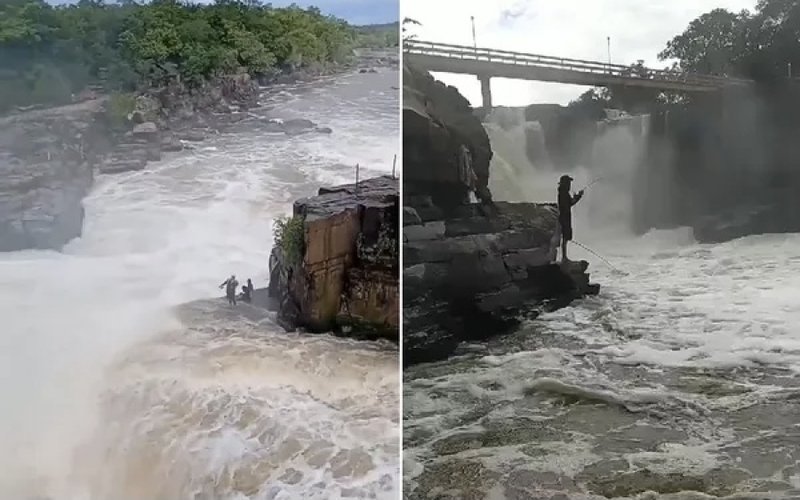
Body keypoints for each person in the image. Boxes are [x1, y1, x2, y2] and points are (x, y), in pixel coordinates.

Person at [557, 174, 584, 263]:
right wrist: (578, 196)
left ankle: (564, 256)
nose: (570, 184)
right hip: (565, 217)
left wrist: (576, 197)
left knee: (565, 237)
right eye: (568, 182)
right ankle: (564, 257)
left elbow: (569, 203)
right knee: (565, 237)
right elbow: (570, 204)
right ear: (565, 183)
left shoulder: (562, 192)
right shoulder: (564, 193)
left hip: (564, 216)